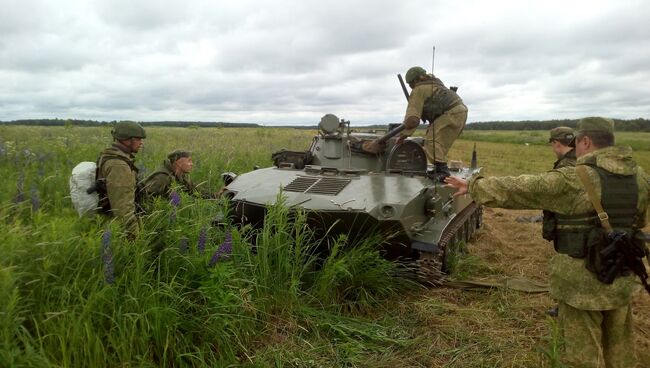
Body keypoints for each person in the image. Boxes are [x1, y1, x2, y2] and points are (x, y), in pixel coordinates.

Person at [445, 117, 649, 368]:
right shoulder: (639, 177)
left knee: (582, 356)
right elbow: (639, 221)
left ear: (586, 141)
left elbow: (524, 188)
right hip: (622, 275)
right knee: (622, 350)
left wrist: (475, 186)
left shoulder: (576, 178)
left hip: (582, 283)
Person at [397, 66, 468, 181]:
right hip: (461, 110)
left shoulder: (418, 90)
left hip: (450, 112)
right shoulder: (435, 84)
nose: (410, 87)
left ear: (414, 81)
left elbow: (412, 120)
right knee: (438, 142)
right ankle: (439, 168)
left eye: (410, 84)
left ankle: (443, 172)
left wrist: (403, 135)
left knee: (431, 140)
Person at [97, 121, 146, 238]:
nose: (141, 143)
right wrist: (135, 239)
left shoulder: (112, 155)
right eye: (138, 139)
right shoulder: (119, 165)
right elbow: (123, 209)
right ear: (127, 139)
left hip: (112, 224)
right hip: (117, 230)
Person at [140, 150, 213, 199]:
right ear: (178, 162)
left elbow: (195, 191)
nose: (192, 164)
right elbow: (146, 198)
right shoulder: (162, 177)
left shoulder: (181, 176)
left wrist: (216, 195)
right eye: (189, 161)